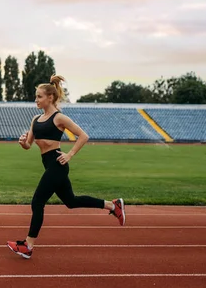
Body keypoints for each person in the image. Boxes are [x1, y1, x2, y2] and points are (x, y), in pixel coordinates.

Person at [7, 75, 125, 259]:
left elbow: (83, 136)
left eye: (39, 96)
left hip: (57, 164)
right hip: (48, 165)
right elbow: (29, 145)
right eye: (36, 96)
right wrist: (22, 143)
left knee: (37, 202)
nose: (36, 100)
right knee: (71, 201)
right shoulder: (35, 119)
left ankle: (28, 245)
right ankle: (112, 205)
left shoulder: (58, 118)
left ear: (50, 98)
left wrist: (69, 154)